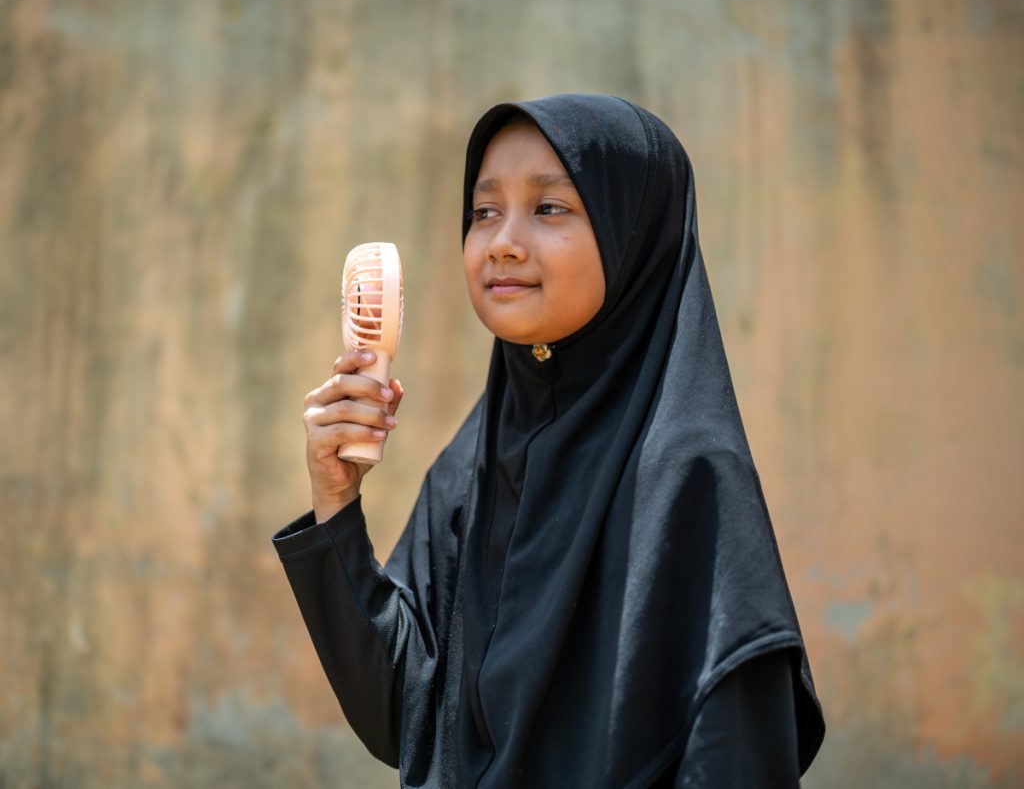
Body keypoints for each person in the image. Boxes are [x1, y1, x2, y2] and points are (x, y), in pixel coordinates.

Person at [273, 94, 825, 788]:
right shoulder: (475, 462)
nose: (503, 240)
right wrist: (335, 503)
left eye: (551, 208)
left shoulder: (688, 478)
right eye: (483, 211)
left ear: (634, 237)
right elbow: (402, 716)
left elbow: (736, 758)